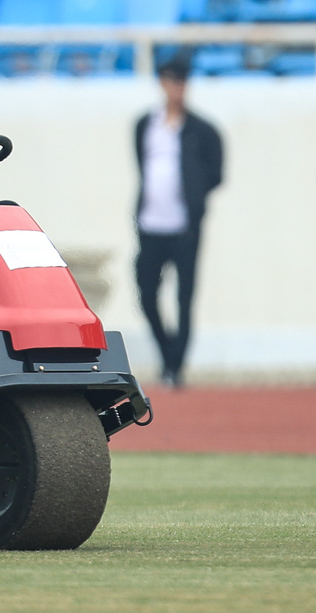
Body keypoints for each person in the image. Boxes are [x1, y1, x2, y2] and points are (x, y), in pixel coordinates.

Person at [132, 53, 223, 388]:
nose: (176, 88)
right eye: (171, 81)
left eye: (182, 81)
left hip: (185, 226)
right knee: (146, 291)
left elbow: (216, 174)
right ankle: (168, 352)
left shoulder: (202, 130)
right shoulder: (145, 125)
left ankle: (176, 366)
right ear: (162, 83)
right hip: (150, 223)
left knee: (185, 296)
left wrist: (194, 197)